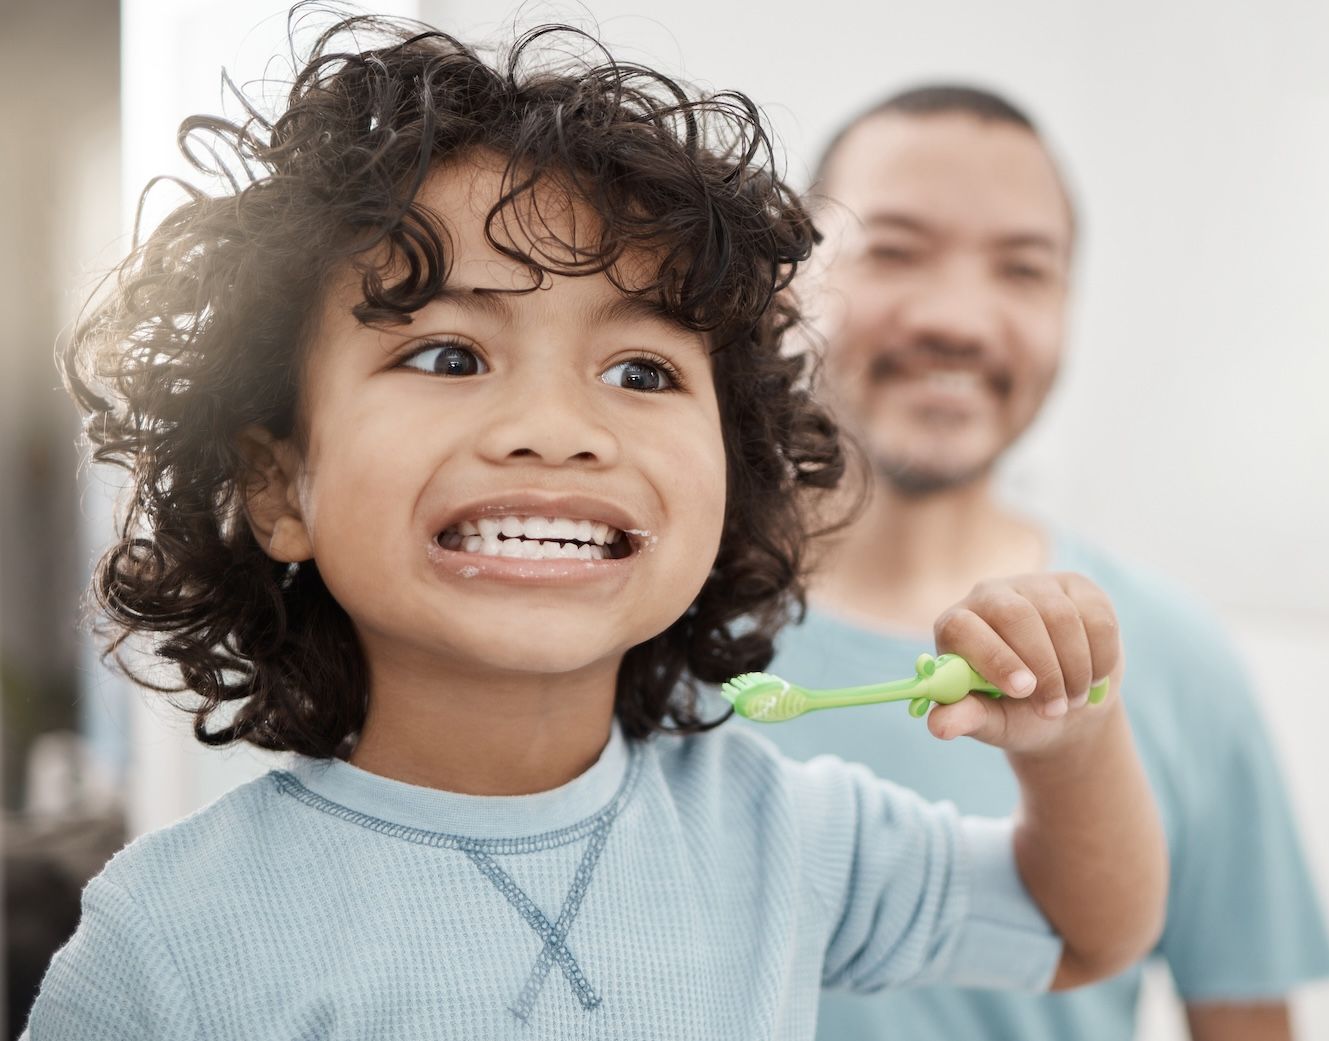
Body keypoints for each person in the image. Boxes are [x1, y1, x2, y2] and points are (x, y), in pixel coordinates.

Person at [27, 18, 1165, 1039]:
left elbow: (1082, 933)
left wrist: (1070, 746)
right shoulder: (170, 941)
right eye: (447, 355)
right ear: (280, 488)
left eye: (639, 369)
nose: (555, 431)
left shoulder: (784, 835)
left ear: (734, 472)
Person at [762, 85, 1329, 1041]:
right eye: (895, 251)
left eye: (1023, 271)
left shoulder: (1176, 659)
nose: (961, 320)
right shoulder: (644, 621)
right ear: (789, 282)